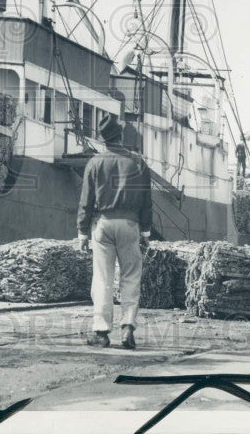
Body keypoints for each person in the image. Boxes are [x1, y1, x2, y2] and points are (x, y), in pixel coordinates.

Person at [77, 113, 152, 350]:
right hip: (130, 225)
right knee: (131, 276)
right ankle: (128, 326)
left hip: (103, 224)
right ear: (120, 136)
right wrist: (146, 232)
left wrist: (82, 232)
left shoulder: (94, 163)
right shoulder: (138, 162)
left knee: (102, 278)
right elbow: (147, 201)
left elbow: (85, 201)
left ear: (103, 139)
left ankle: (101, 332)